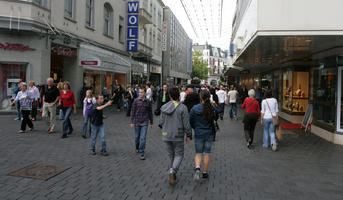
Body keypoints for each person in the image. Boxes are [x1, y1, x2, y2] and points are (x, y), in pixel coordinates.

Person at [158, 87, 192, 186]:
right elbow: (186, 124)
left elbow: (160, 122)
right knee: (179, 154)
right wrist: (189, 134)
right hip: (178, 134)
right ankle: (173, 171)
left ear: (169, 96)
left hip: (166, 134)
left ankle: (171, 170)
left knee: (170, 155)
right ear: (178, 96)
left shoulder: (164, 107)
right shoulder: (183, 108)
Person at [189, 90, 220, 181]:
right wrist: (214, 104)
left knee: (198, 153)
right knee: (207, 153)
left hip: (198, 132)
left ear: (200, 97)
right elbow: (219, 111)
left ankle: (197, 168)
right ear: (209, 97)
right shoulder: (211, 107)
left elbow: (191, 121)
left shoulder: (195, 108)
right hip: (209, 133)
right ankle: (205, 172)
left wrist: (195, 128)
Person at [130, 88, 153, 160]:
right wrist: (131, 121)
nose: (140, 94)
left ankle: (142, 152)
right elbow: (132, 111)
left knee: (143, 138)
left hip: (145, 122)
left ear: (145, 93)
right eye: (139, 92)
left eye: (142, 92)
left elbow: (150, 112)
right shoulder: (136, 101)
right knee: (137, 137)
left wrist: (151, 122)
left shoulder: (148, 101)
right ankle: (137, 147)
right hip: (137, 121)